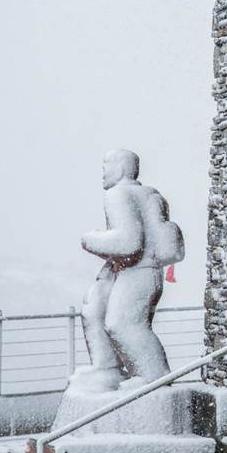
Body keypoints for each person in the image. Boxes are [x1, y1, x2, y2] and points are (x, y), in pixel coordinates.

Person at [78, 149, 184, 391]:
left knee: (124, 324)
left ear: (121, 167)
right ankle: (106, 370)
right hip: (142, 272)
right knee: (95, 307)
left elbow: (129, 243)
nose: (103, 171)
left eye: (106, 165)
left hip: (136, 271)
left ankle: (154, 378)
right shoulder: (150, 195)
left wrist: (90, 240)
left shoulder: (118, 195)